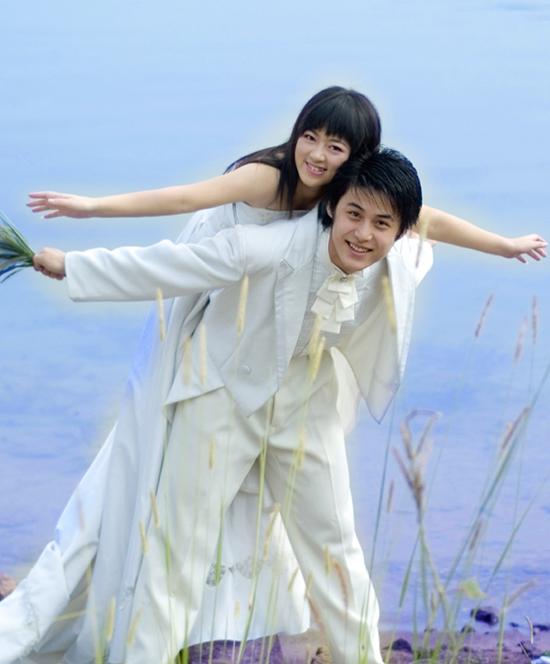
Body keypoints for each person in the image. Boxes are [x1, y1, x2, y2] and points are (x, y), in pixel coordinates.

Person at [25, 148, 547, 663]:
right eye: (354, 214)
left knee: (337, 550)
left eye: (381, 224)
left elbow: (435, 223)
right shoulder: (268, 246)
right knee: (175, 554)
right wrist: (73, 266)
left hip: (306, 406)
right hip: (220, 399)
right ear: (331, 206)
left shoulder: (398, 259)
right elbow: (171, 265)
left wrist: (504, 247)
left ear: (402, 231)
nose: (363, 234)